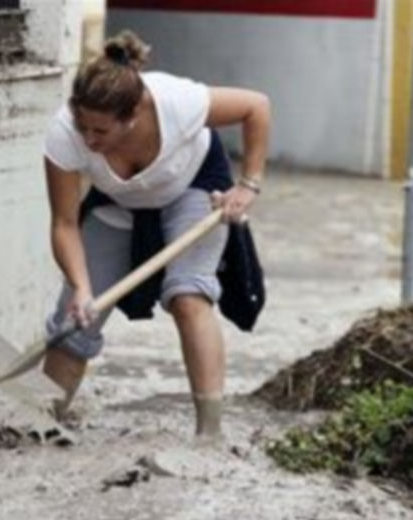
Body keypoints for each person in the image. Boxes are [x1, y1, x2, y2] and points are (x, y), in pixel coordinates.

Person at [41, 30, 270, 438]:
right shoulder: (64, 133)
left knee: (188, 296)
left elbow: (256, 106)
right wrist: (80, 286)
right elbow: (64, 224)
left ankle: (210, 434)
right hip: (119, 200)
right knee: (73, 320)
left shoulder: (175, 102)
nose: (88, 140)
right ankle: (43, 423)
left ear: (133, 116)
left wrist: (248, 184)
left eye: (101, 131)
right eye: (83, 125)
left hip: (193, 188)